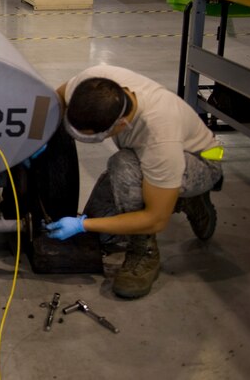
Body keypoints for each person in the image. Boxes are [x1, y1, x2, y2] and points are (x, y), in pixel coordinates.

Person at [45, 65, 223, 299]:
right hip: (150, 159)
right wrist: (36, 139)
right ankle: (171, 197)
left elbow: (155, 220)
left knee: (123, 166)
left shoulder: (159, 138)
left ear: (120, 125)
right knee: (103, 237)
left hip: (202, 161)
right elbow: (52, 100)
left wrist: (82, 225)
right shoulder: (94, 82)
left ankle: (145, 250)